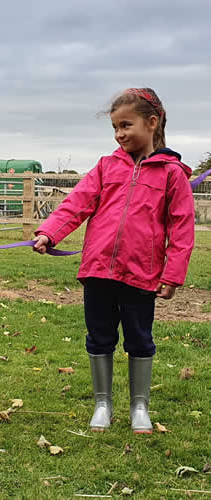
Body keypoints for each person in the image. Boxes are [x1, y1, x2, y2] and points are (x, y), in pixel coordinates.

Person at [33, 88, 195, 434]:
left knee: (140, 340)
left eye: (126, 125)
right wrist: (50, 233)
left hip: (141, 275)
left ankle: (140, 407)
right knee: (99, 337)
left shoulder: (172, 174)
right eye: (115, 128)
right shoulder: (106, 167)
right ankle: (102, 404)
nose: (120, 134)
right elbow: (77, 203)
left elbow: (181, 228)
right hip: (97, 272)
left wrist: (173, 273)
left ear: (152, 123)